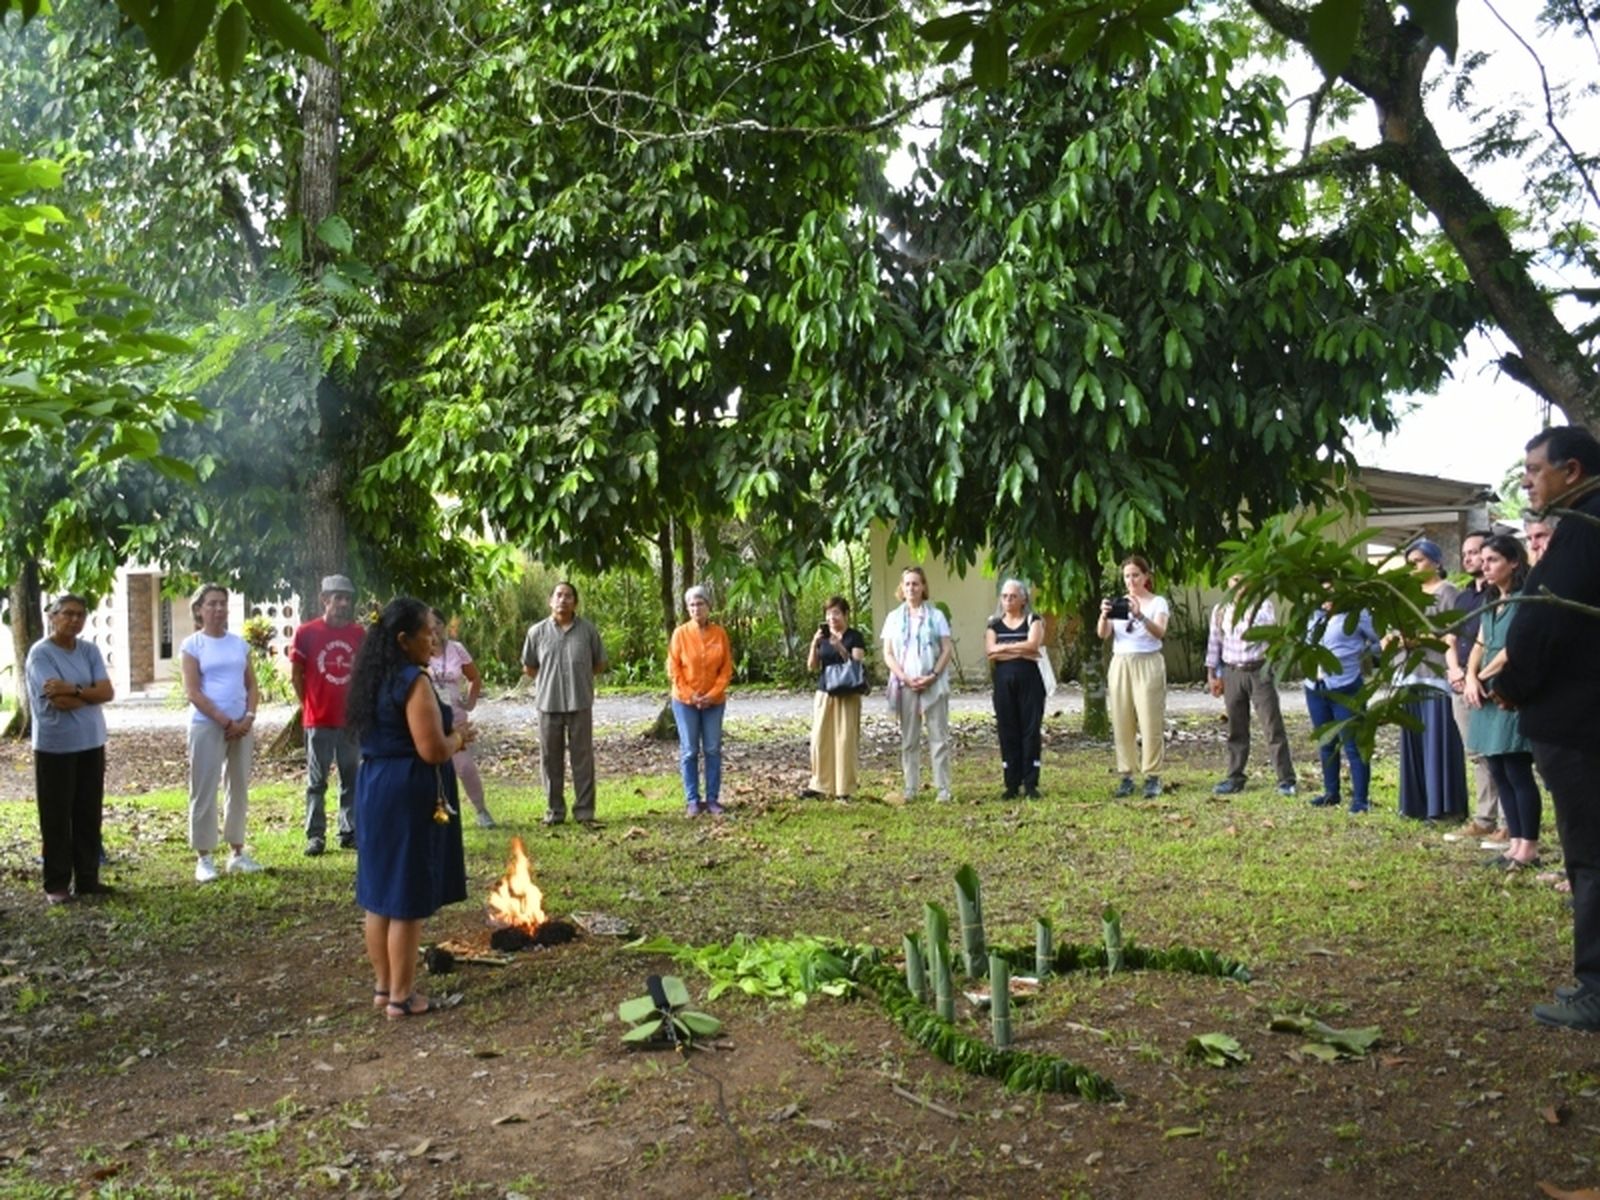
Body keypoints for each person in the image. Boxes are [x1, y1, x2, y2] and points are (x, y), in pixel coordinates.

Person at [1493, 426, 1600, 1031]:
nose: (1527, 480)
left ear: (1572, 470)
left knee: (1590, 857)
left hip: (1580, 722)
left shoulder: (1585, 530)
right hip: (1580, 715)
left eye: (1535, 469)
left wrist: (1512, 685)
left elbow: (1543, 623)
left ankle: (1597, 986)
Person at [348, 597, 471, 1019]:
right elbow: (433, 749)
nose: (433, 638)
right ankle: (403, 996)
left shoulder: (372, 678)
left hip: (374, 786)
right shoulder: (412, 681)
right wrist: (458, 739)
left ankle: (384, 988)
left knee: (379, 895)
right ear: (403, 640)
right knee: (406, 896)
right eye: (426, 632)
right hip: (406, 790)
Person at [26, 594, 114, 904]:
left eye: (80, 614)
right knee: (56, 816)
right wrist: (88, 697)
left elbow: (108, 691)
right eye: (67, 614)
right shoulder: (41, 654)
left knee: (88, 813)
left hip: (91, 743)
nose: (74, 620)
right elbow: (58, 701)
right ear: (52, 616)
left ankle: (88, 879)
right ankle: (57, 884)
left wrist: (75, 689)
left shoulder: (88, 650)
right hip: (55, 747)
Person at [1463, 534, 1542, 870]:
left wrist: (1483, 679)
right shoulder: (1493, 600)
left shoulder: (1527, 600)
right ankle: (1513, 845)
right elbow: (1481, 644)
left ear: (1514, 561)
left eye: (1493, 559)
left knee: (1516, 768)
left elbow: (1513, 649)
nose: (1486, 566)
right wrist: (1469, 676)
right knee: (1497, 767)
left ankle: (1529, 847)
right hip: (1485, 692)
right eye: (1484, 560)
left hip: (1508, 689)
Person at [181, 584, 263, 883]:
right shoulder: (193, 645)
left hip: (242, 725)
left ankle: (237, 852)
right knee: (204, 788)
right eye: (212, 603)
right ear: (199, 609)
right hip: (207, 725)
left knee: (238, 786)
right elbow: (193, 691)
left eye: (223, 604)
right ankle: (204, 857)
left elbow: (252, 685)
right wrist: (225, 722)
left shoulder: (239, 645)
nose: (218, 609)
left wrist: (248, 717)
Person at [521, 581, 608, 827]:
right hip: (548, 704)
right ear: (550, 601)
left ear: (575, 602)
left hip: (580, 703)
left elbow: (599, 663)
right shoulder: (536, 632)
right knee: (550, 760)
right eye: (558, 595)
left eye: (568, 596)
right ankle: (554, 812)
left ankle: (584, 812)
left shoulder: (588, 630)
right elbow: (529, 667)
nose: (563, 600)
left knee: (582, 759)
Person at [292, 574, 365, 855]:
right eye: (338, 598)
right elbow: (296, 674)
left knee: (351, 779)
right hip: (319, 720)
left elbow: (362, 674)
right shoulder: (307, 632)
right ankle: (315, 835)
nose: (343, 604)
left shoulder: (358, 634)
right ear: (325, 600)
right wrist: (308, 704)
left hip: (349, 721)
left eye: (347, 598)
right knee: (316, 782)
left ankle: (349, 831)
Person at [1204, 574, 1296, 797]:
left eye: (1244, 580)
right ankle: (1235, 777)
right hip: (1232, 672)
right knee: (1236, 728)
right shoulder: (1220, 610)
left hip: (1259, 671)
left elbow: (1259, 629)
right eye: (1234, 580)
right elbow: (1214, 642)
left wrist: (1245, 606)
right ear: (1228, 582)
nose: (1239, 585)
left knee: (1272, 725)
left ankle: (1286, 779)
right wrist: (1212, 674)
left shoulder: (1263, 606)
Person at [1394, 540, 1467, 822]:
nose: (1415, 566)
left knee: (1440, 743)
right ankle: (1415, 805)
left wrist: (1421, 638)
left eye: (1421, 560)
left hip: (1435, 676)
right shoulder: (1406, 594)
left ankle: (1445, 807)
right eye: (1410, 561)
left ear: (1436, 562)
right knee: (1413, 743)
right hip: (1407, 675)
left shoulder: (1449, 593)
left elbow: (1455, 634)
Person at [1445, 530, 1504, 841]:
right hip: (1460, 683)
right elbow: (1449, 638)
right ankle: (1484, 818)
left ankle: (1510, 823)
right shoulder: (1463, 595)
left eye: (1475, 552)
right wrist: (1454, 670)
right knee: (1476, 753)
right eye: (1465, 553)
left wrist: (1474, 676)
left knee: (1501, 753)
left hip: (1487, 682)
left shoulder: (1498, 593)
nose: (1469, 558)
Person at [881, 567, 955, 804]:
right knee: (909, 739)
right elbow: (888, 654)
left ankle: (943, 788)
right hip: (906, 684)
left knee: (938, 737)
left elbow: (946, 650)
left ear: (923, 587)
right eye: (907, 584)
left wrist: (932, 675)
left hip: (933, 683)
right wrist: (903, 677)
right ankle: (910, 787)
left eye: (915, 584)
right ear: (901, 588)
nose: (911, 588)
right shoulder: (893, 618)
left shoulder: (936, 617)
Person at [1098, 556, 1169, 799]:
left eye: (1135, 575)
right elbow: (1103, 634)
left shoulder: (1158, 602)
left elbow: (1159, 633)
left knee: (1150, 721)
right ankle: (1126, 774)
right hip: (1121, 663)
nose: (1131, 581)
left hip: (1148, 661)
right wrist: (1104, 614)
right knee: (1122, 720)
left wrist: (1139, 615)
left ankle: (1153, 775)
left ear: (1146, 576)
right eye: (1127, 576)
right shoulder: (1119, 602)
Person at [1304, 599, 1380, 813]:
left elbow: (1380, 640)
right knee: (1326, 741)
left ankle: (1360, 799)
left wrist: (1361, 653)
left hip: (1346, 686)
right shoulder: (1313, 614)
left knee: (1354, 745)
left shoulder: (1357, 613)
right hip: (1315, 686)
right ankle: (1331, 793)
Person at [668, 586, 732, 817]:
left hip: (714, 702)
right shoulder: (680, 633)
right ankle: (693, 800)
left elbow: (726, 669)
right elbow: (674, 668)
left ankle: (713, 799)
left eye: (700, 604)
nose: (696, 608)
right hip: (685, 702)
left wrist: (713, 694)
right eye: (692, 605)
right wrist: (690, 695)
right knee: (690, 751)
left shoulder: (719, 633)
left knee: (713, 748)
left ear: (708, 606)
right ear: (687, 609)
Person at [428, 608, 494, 828]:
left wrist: (471, 701)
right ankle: (437, 813)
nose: (434, 628)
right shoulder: (418, 650)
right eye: (429, 623)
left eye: (438, 622)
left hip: (455, 718)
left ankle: (481, 811)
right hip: (428, 719)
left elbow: (474, 677)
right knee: (431, 768)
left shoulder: (456, 649)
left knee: (464, 767)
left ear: (444, 625)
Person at [985, 579, 1046, 799]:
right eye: (1004, 596)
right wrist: (1019, 650)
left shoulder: (1033, 620)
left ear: (1023, 599)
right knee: (1007, 730)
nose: (1008, 600)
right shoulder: (994, 624)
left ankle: (1030, 782)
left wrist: (1005, 648)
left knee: (1030, 730)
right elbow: (991, 652)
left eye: (1012, 596)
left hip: (1029, 681)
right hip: (1003, 682)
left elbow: (1033, 646)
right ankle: (1011, 782)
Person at [803, 595, 867, 802]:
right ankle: (820, 784)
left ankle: (844, 788)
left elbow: (856, 664)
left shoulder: (854, 637)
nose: (832, 618)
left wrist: (839, 646)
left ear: (846, 615)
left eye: (836, 613)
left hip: (847, 693)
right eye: (829, 614)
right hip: (825, 691)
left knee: (845, 740)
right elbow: (812, 666)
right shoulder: (822, 637)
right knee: (820, 739)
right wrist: (815, 644)